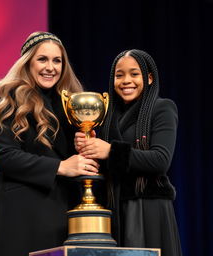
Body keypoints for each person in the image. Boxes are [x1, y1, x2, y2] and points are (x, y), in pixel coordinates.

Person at [0, 31, 99, 256]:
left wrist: (84, 143)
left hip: (63, 209)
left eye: (57, 61)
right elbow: (4, 156)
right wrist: (61, 167)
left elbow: (73, 159)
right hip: (22, 213)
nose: (51, 67)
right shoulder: (8, 98)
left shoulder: (69, 103)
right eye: (42, 59)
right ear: (27, 62)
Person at [75, 49, 182, 256]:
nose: (126, 81)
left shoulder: (162, 108)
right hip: (112, 208)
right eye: (119, 75)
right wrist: (87, 145)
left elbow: (160, 160)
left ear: (149, 78)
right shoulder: (107, 116)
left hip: (147, 209)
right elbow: (104, 163)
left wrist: (110, 150)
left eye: (134, 74)